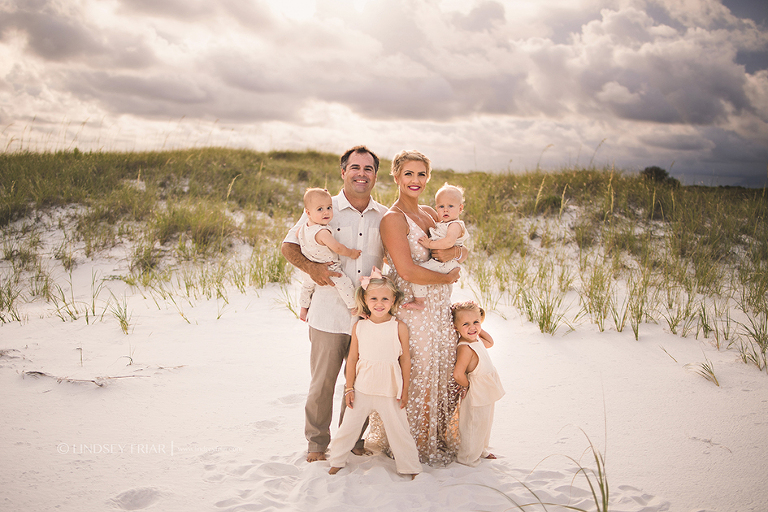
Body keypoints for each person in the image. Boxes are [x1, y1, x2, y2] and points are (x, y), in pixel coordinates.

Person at [281, 146, 388, 463]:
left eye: (368, 169)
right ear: (343, 172)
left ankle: (353, 439)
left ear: (375, 175)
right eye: (354, 167)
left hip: (368, 317)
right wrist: (313, 270)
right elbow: (289, 246)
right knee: (322, 384)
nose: (361, 174)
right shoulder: (321, 208)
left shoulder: (384, 216)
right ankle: (316, 444)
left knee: (362, 384)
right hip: (327, 314)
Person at [370, 149, 468, 467]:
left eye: (421, 174)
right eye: (408, 174)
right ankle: (413, 443)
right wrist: (450, 273)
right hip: (415, 311)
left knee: (445, 373)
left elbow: (458, 248)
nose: (415, 180)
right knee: (420, 375)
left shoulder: (430, 212)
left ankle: (437, 436)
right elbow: (407, 270)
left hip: (441, 309)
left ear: (428, 178)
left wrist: (454, 252)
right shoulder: (392, 219)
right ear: (396, 176)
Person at [328, 270, 422, 478]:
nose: (379, 303)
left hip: (390, 390)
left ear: (394, 299)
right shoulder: (360, 327)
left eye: (385, 299)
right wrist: (349, 387)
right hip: (362, 388)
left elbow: (405, 359)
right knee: (348, 428)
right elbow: (352, 359)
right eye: (374, 298)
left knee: (399, 430)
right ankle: (336, 460)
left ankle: (410, 466)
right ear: (364, 300)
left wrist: (405, 389)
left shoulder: (399, 327)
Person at [451, 301, 505, 467]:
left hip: (486, 389)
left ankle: (481, 449)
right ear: (456, 327)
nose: (472, 327)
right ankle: (467, 457)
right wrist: (466, 386)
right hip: (476, 391)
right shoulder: (465, 347)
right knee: (473, 424)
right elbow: (458, 373)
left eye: (476, 322)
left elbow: (490, 342)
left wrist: (476, 328)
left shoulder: (476, 339)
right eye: (465, 324)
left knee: (485, 422)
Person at [297, 188, 362, 321]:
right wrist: (351, 253)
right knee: (344, 283)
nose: (326, 212)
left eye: (329, 207)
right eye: (320, 209)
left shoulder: (302, 228)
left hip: (309, 270)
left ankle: (303, 309)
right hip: (328, 267)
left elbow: (300, 240)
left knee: (307, 286)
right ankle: (354, 307)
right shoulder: (322, 232)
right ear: (308, 212)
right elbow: (337, 248)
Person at [401, 183, 469, 310]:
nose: (445, 210)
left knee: (418, 275)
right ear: (436, 207)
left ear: (460, 209)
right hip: (443, 263)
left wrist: (430, 244)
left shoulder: (455, 225)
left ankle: (419, 300)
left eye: (450, 206)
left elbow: (449, 242)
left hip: (445, 263)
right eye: (441, 206)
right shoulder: (443, 223)